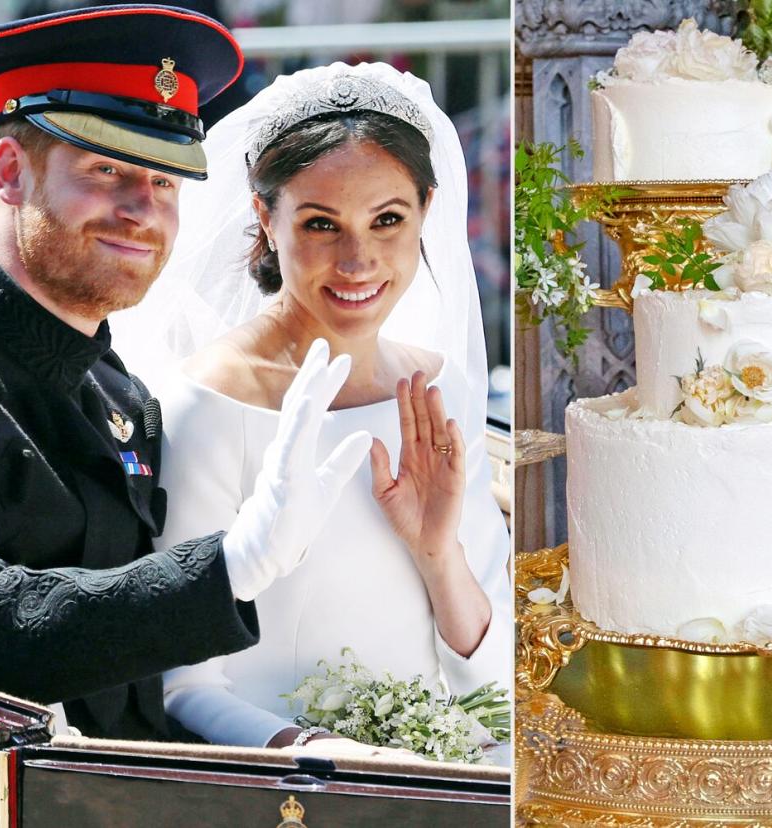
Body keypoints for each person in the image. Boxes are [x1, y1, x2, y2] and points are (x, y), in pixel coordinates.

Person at [0, 5, 371, 740]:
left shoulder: (119, 396)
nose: (142, 210)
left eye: (168, 182)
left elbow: (138, 690)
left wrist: (283, 741)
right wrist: (229, 568)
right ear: (10, 171)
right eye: (107, 169)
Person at [109, 62, 512, 752]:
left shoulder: (441, 388)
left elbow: (493, 682)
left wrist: (438, 554)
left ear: (426, 211)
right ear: (266, 218)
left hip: (444, 776)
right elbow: (183, 684)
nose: (358, 261)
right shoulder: (207, 404)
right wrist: (320, 758)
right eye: (322, 224)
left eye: (388, 219)